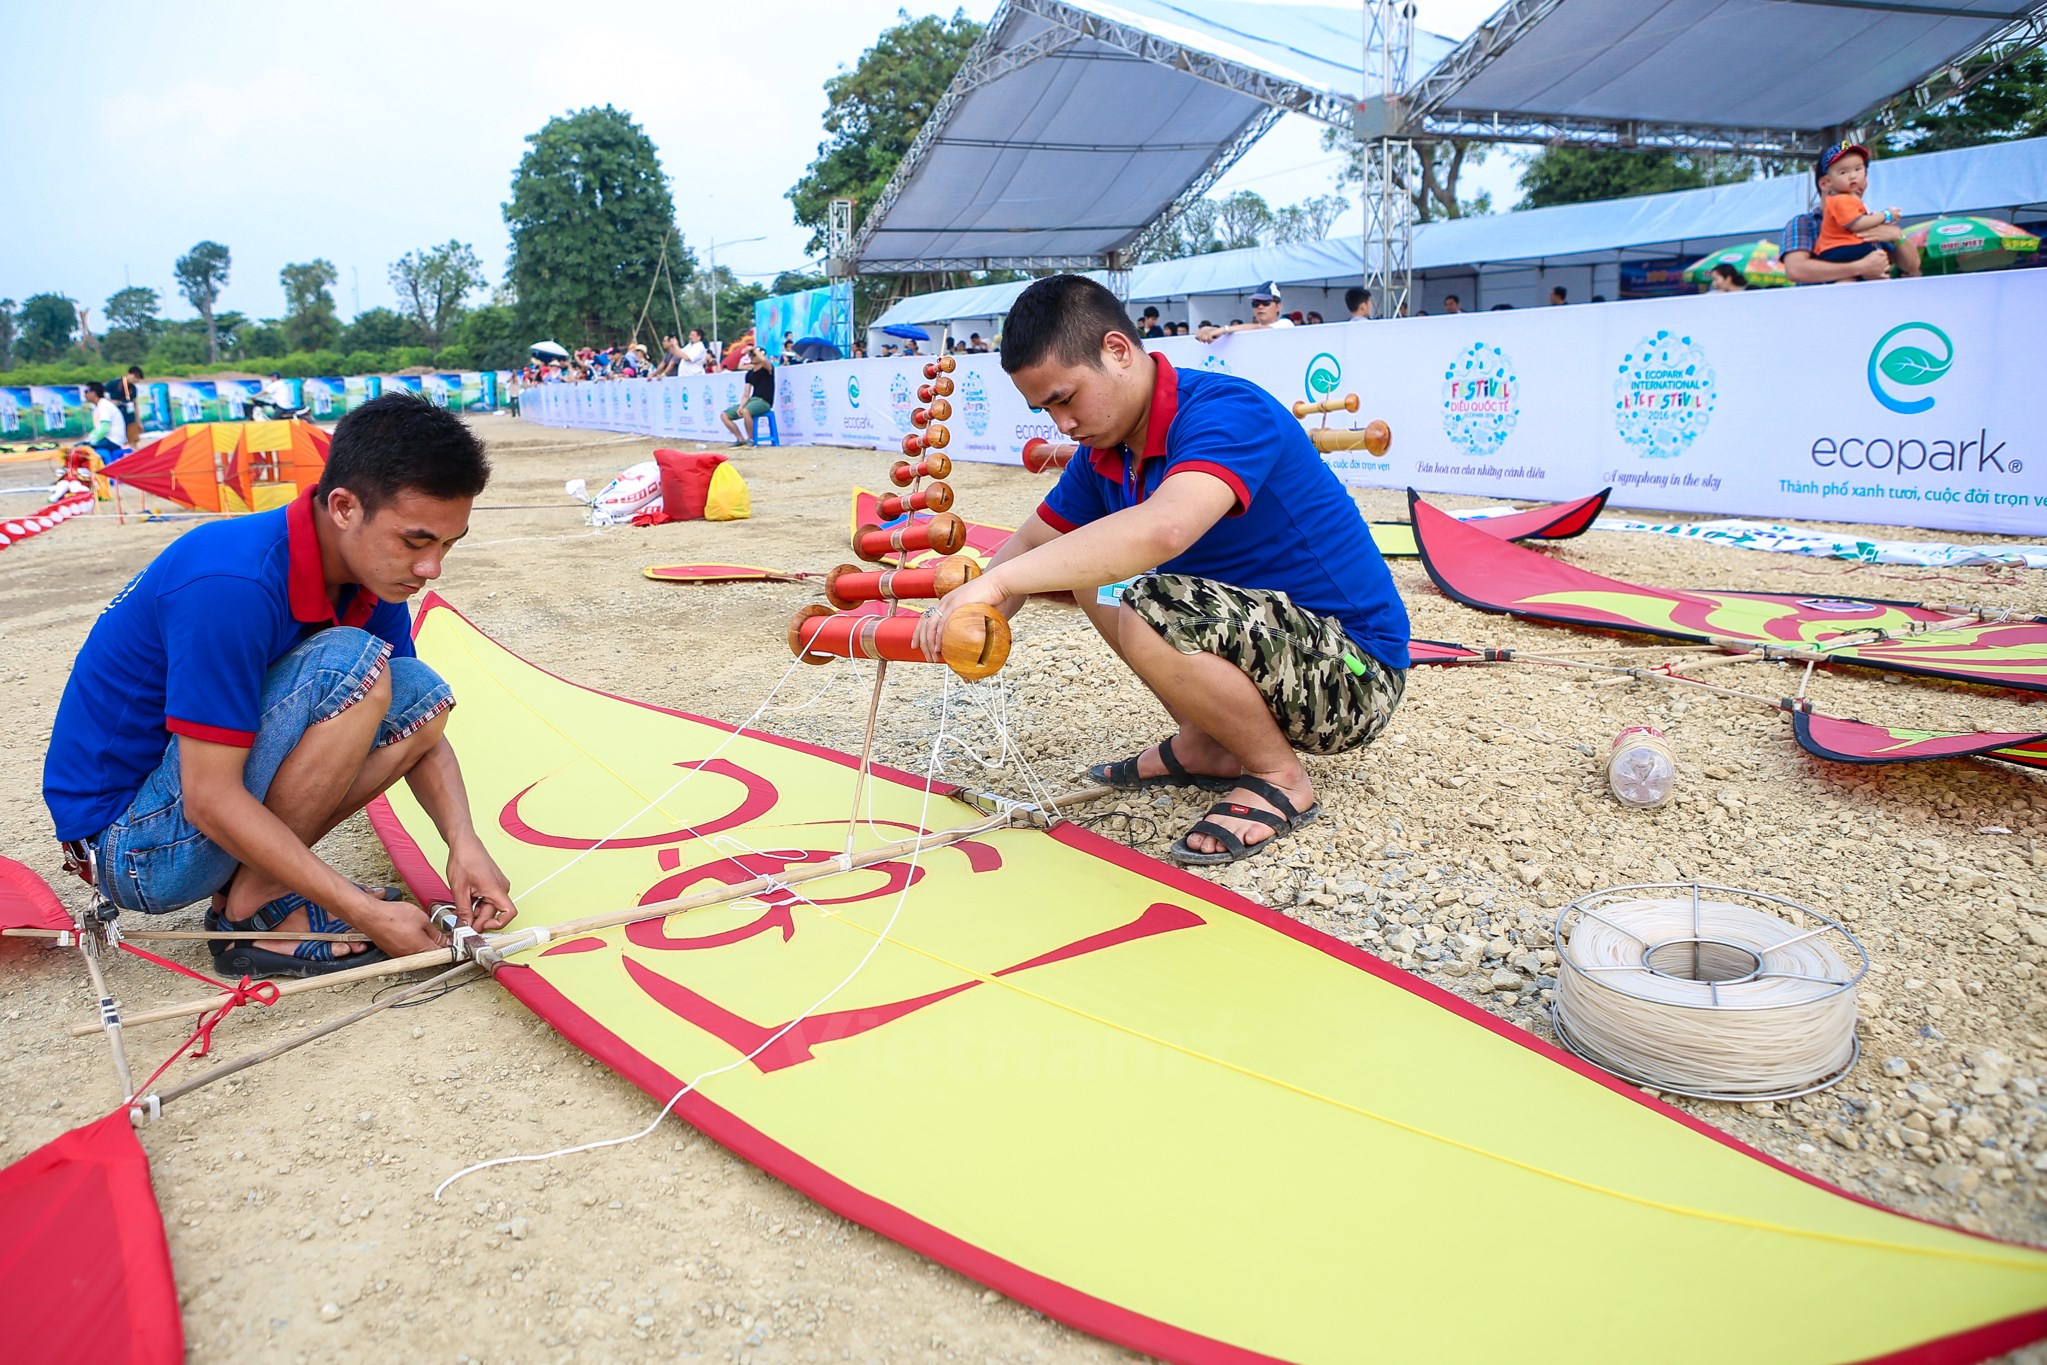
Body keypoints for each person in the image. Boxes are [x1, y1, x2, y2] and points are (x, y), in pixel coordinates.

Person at [914, 275, 1410, 866]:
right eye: (1045, 409)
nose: (1061, 426)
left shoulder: (1226, 410)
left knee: (1150, 602)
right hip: (1280, 650)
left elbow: (1163, 529)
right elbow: (1033, 542)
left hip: (1353, 674)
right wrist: (975, 610)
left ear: (1118, 351)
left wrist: (997, 582)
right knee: (1093, 574)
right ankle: (1210, 744)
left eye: (1066, 399)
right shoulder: (1109, 449)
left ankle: (1278, 775)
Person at [42, 394, 516, 977]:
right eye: (415, 541)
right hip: (132, 848)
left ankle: (252, 892)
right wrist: (364, 911)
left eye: (447, 544)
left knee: (414, 685)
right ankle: (250, 914)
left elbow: (416, 724)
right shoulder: (230, 582)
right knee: (353, 666)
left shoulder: (372, 575)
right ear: (343, 507)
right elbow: (208, 797)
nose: (431, 568)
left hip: (180, 811)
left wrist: (463, 844)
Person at [1811, 141, 1903, 272]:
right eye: (1844, 172)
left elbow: (1913, 268)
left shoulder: (1859, 208)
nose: (1854, 176)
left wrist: (1898, 236)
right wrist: (1886, 215)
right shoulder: (1840, 200)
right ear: (1826, 183)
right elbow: (1857, 224)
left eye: (1859, 170)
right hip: (1840, 250)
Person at [1196, 282, 1294, 342]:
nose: (1260, 307)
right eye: (1256, 303)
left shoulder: (1286, 324)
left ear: (1278, 306)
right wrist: (1210, 330)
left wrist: (1223, 329)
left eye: (1266, 303)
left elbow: (1262, 328)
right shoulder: (1248, 330)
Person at [720, 347, 775, 446]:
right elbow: (746, 394)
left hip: (764, 401)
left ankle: (751, 439)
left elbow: (763, 360)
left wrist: (754, 349)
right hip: (753, 400)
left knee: (746, 411)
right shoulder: (750, 374)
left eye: (754, 355)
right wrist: (741, 406)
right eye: (750, 355)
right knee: (725, 415)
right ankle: (740, 439)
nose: (751, 357)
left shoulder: (767, 369)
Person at [82, 382, 126, 461]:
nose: (85, 395)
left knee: (83, 449)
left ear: (94, 393)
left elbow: (104, 429)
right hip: (108, 439)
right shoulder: (99, 406)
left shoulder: (104, 405)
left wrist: (91, 441)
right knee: (82, 445)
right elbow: (98, 429)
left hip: (113, 440)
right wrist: (88, 439)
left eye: (86, 392)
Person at [113, 365, 145, 445]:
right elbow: (101, 396)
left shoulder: (133, 388)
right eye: (135, 377)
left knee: (134, 442)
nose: (136, 380)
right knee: (121, 443)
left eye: (138, 378)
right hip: (118, 419)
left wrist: (139, 421)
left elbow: (135, 404)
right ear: (128, 374)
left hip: (130, 418)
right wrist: (112, 401)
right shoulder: (114, 384)